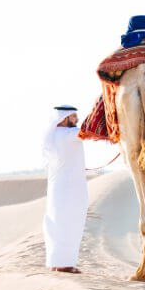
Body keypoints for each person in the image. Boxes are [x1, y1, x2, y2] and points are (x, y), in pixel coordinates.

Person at [42, 105, 89, 274]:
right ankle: (65, 265)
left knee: (58, 225)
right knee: (70, 224)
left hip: (60, 190)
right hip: (70, 190)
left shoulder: (55, 135)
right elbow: (88, 131)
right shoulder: (67, 134)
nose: (76, 119)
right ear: (64, 118)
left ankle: (57, 263)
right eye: (74, 116)